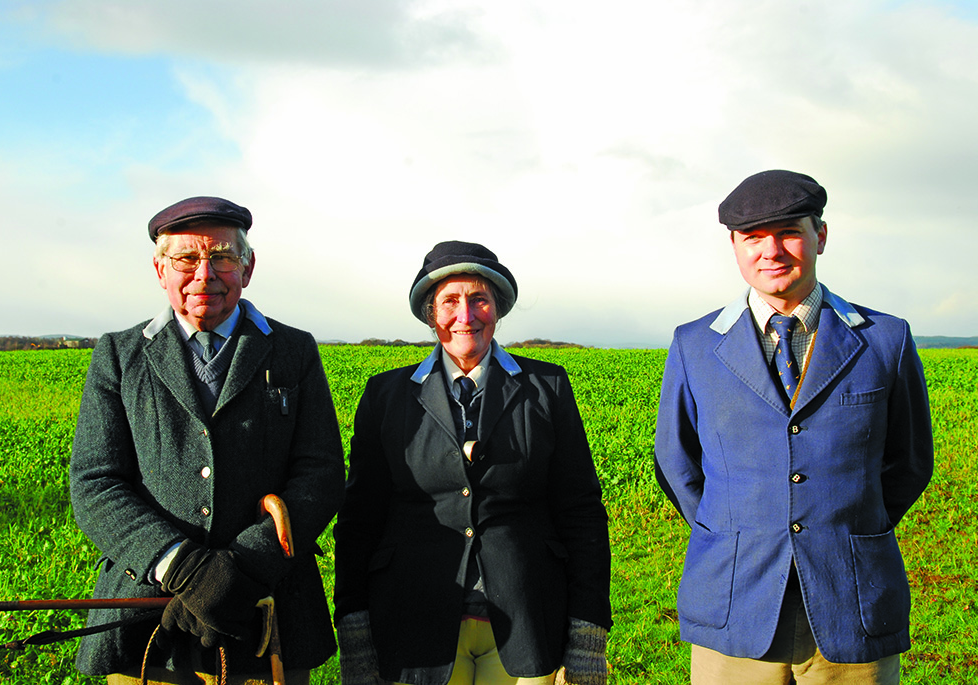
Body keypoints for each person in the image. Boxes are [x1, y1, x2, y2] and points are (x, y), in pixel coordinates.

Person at [654, 170, 934, 684]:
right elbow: (677, 464)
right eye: (753, 238)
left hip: (851, 602)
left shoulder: (885, 340)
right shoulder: (694, 345)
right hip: (734, 601)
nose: (771, 251)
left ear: (820, 237)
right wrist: (735, 532)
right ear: (734, 247)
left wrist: (846, 527)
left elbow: (910, 462)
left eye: (788, 232)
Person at [69, 196, 345, 684]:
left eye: (221, 257)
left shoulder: (293, 350)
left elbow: (320, 473)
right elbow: (96, 483)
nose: (204, 274)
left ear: (248, 266)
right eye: (186, 259)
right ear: (160, 269)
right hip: (147, 614)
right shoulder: (119, 355)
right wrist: (182, 566)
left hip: (265, 610)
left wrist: (243, 567)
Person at [332, 241, 612, 685]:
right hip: (414, 622)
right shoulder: (385, 396)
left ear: (497, 309)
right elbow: (359, 518)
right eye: (449, 301)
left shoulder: (547, 387)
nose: (466, 316)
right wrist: (354, 628)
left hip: (526, 621)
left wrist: (587, 630)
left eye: (479, 299)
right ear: (430, 314)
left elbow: (581, 512)